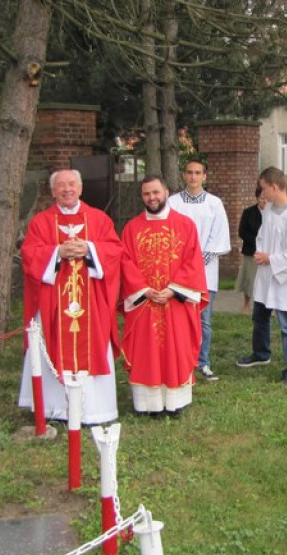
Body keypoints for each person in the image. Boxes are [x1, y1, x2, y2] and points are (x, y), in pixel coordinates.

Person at [19, 169, 123, 424]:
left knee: (92, 343)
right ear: (53, 191)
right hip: (54, 302)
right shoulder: (41, 222)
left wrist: (90, 249)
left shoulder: (99, 219)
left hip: (91, 302)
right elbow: (30, 255)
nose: (67, 189)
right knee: (49, 344)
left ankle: (95, 411)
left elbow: (115, 251)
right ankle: (56, 409)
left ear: (80, 188)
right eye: (61, 185)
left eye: (72, 184)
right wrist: (56, 253)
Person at [120, 175, 208, 416]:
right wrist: (144, 290)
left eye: (156, 192)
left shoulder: (185, 225)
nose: (152, 198)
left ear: (167, 192)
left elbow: (193, 262)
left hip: (175, 302)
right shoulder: (131, 228)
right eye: (147, 194)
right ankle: (148, 405)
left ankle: (174, 403)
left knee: (174, 349)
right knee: (146, 352)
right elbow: (125, 263)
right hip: (144, 302)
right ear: (142, 196)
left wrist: (173, 290)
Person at [235, 167, 287, 388]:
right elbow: (261, 237)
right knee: (259, 316)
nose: (262, 194)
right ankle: (261, 353)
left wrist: (271, 259)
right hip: (266, 274)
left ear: (274, 186)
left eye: (263, 188)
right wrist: (262, 255)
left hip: (285, 278)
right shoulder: (269, 211)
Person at [167, 158, 231, 381]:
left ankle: (203, 362)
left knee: (204, 319)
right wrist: (184, 261)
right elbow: (168, 233)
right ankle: (182, 361)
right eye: (189, 172)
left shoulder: (214, 204)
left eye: (198, 173)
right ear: (184, 175)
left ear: (205, 176)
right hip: (179, 270)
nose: (193, 177)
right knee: (180, 317)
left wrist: (199, 258)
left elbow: (219, 235)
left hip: (206, 269)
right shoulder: (172, 203)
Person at [236, 186, 266, 315]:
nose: (264, 201)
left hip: (268, 253)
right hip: (251, 251)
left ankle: (270, 306)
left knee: (268, 280)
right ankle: (247, 304)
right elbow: (242, 232)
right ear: (257, 198)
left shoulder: (273, 213)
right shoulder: (248, 212)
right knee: (249, 278)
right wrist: (257, 243)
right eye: (261, 198)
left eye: (266, 198)